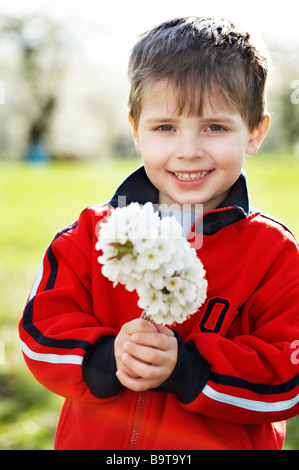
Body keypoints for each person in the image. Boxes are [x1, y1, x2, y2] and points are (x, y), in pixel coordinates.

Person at [19, 17, 299, 450]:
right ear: (136, 130)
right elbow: (39, 332)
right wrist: (104, 359)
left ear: (255, 133)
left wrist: (189, 369)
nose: (188, 150)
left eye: (215, 127)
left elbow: (289, 377)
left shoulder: (275, 254)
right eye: (165, 127)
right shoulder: (90, 235)